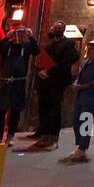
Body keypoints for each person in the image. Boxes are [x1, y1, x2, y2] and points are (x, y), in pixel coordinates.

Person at [30, 22, 78, 150]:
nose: (53, 29)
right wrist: (40, 70)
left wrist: (49, 72)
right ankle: (44, 136)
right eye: (53, 27)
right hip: (44, 82)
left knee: (54, 110)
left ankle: (54, 139)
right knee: (44, 108)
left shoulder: (68, 44)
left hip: (56, 82)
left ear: (62, 30)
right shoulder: (50, 44)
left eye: (56, 27)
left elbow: (65, 62)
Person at [0, 26, 37, 144]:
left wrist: (31, 37)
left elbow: (36, 50)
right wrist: (7, 37)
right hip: (5, 81)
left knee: (15, 111)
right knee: (1, 110)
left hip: (18, 82)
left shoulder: (26, 47)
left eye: (22, 34)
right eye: (17, 33)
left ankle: (10, 135)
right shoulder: (7, 46)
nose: (19, 36)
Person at [65, 40, 94, 164]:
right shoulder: (84, 62)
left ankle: (83, 148)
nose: (89, 51)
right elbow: (79, 75)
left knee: (86, 122)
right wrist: (76, 83)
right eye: (88, 49)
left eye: (92, 49)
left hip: (91, 96)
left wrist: (81, 86)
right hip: (81, 96)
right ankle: (79, 146)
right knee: (77, 121)